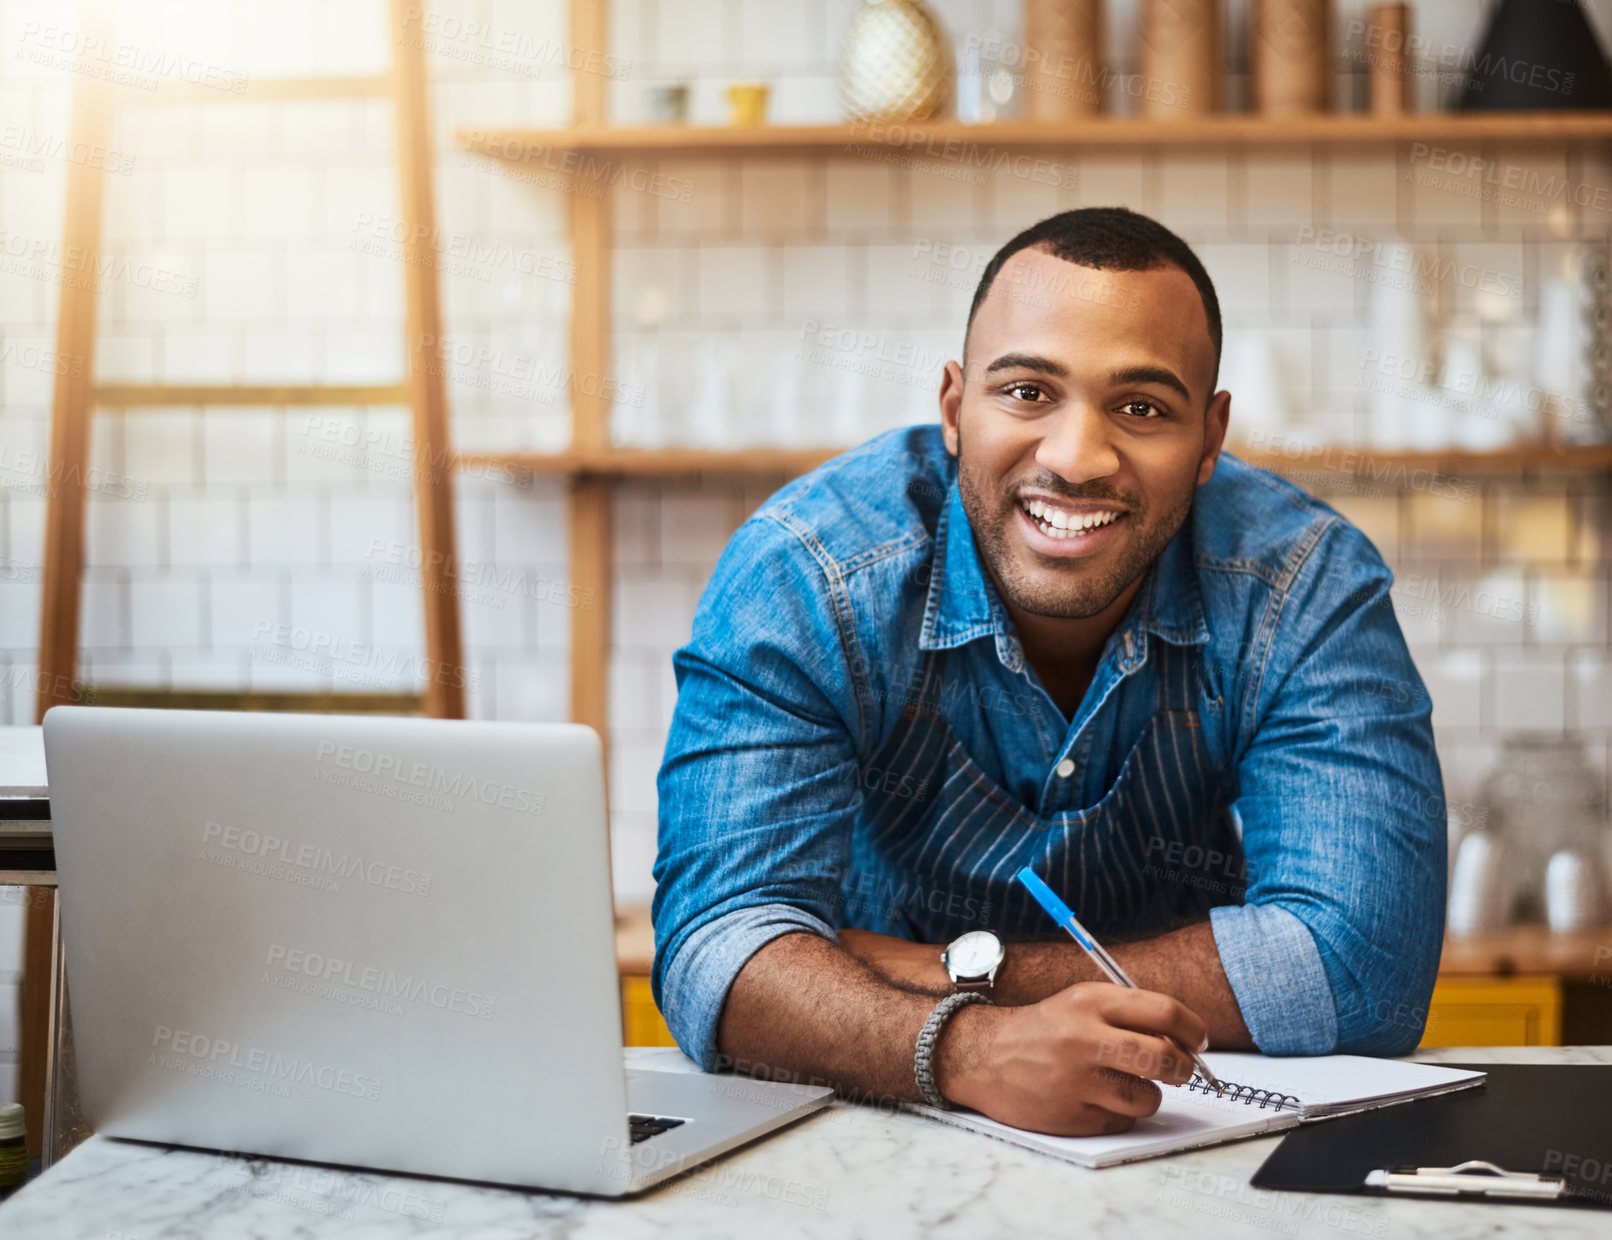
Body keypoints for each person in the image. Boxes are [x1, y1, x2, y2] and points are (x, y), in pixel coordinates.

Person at [651, 207, 1446, 1136]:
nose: (1075, 458)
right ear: (954, 409)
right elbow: (717, 950)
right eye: (1027, 393)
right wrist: (968, 1049)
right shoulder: (807, 573)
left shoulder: (1302, 585)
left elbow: (1365, 964)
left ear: (1209, 437)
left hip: (1179, 1125)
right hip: (879, 1125)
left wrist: (955, 972)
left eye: (1142, 408)